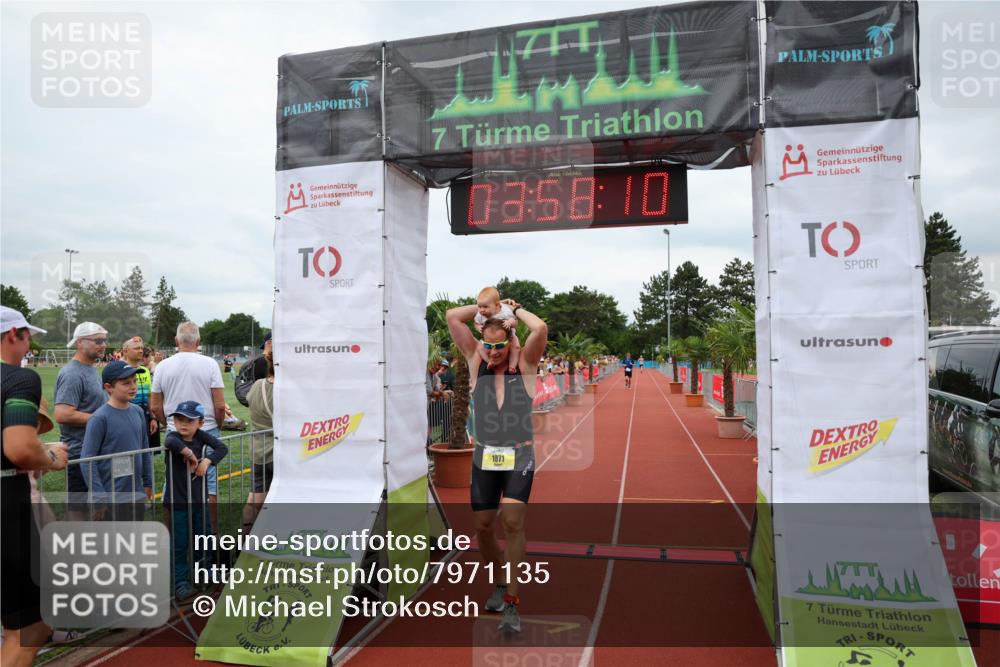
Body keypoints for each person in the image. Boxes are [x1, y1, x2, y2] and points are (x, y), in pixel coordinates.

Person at [446, 298, 547, 634]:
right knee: (485, 527)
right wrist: (487, 308)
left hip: (519, 454)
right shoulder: (477, 363)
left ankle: (512, 603)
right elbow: (452, 317)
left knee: (513, 522)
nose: (491, 351)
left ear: (509, 342)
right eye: (487, 345)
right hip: (486, 456)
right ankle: (501, 582)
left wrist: (512, 311)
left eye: (498, 345)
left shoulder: (526, 365)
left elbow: (540, 328)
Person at [1, 307, 68, 666]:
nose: (30, 343)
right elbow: (20, 448)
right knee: (31, 626)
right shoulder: (18, 379)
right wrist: (51, 457)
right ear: (14, 334)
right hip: (6, 506)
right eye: (27, 335)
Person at [150, 322, 226, 524]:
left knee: (172, 484)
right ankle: (210, 538)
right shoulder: (210, 364)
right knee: (208, 484)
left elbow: (155, 406)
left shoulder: (162, 366)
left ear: (176, 341)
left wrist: (171, 424)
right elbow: (220, 405)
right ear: (198, 341)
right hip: (206, 429)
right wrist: (217, 424)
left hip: (175, 433)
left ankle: (170, 535)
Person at [162, 401, 228, 602]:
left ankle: (204, 572)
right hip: (178, 501)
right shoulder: (173, 437)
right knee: (180, 543)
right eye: (179, 419)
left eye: (189, 420)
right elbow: (170, 443)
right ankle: (181, 582)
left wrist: (207, 461)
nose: (183, 424)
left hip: (199, 500)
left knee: (203, 537)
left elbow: (221, 447)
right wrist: (190, 454)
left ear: (200, 422)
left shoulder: (201, 436)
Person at [79, 361, 153, 519]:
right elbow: (87, 460)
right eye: (126, 383)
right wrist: (99, 496)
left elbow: (145, 450)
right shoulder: (99, 418)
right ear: (108, 387)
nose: (133, 386)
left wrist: (148, 483)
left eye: (134, 381)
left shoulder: (138, 412)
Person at [54, 322, 109, 504]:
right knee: (80, 512)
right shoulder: (72, 374)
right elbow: (63, 414)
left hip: (95, 451)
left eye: (104, 340)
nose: (103, 345)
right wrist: (104, 420)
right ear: (80, 342)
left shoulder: (91, 369)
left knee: (99, 509)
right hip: (81, 455)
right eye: (98, 341)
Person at [242, 346, 274, 530]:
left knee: (255, 499)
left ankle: (244, 540)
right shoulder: (287, 389)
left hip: (258, 451)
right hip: (280, 453)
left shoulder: (257, 386)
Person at [122, 336, 159, 449]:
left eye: (141, 348)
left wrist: (153, 418)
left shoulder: (145, 371)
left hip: (145, 416)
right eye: (136, 348)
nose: (141, 351)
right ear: (125, 351)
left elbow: (149, 396)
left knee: (145, 449)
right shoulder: (119, 370)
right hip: (126, 417)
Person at [475, 287, 521, 373]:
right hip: (489, 340)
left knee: (516, 347)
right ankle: (490, 361)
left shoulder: (505, 311)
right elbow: (476, 323)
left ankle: (512, 365)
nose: (481, 310)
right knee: (479, 347)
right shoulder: (480, 314)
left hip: (510, 336)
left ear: (497, 305)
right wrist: (478, 327)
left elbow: (515, 322)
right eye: (479, 306)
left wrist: (509, 322)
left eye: (485, 307)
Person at [235, 332, 271, 407]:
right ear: (269, 343)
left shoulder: (254, 360)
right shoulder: (265, 361)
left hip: (255, 403)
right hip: (264, 405)